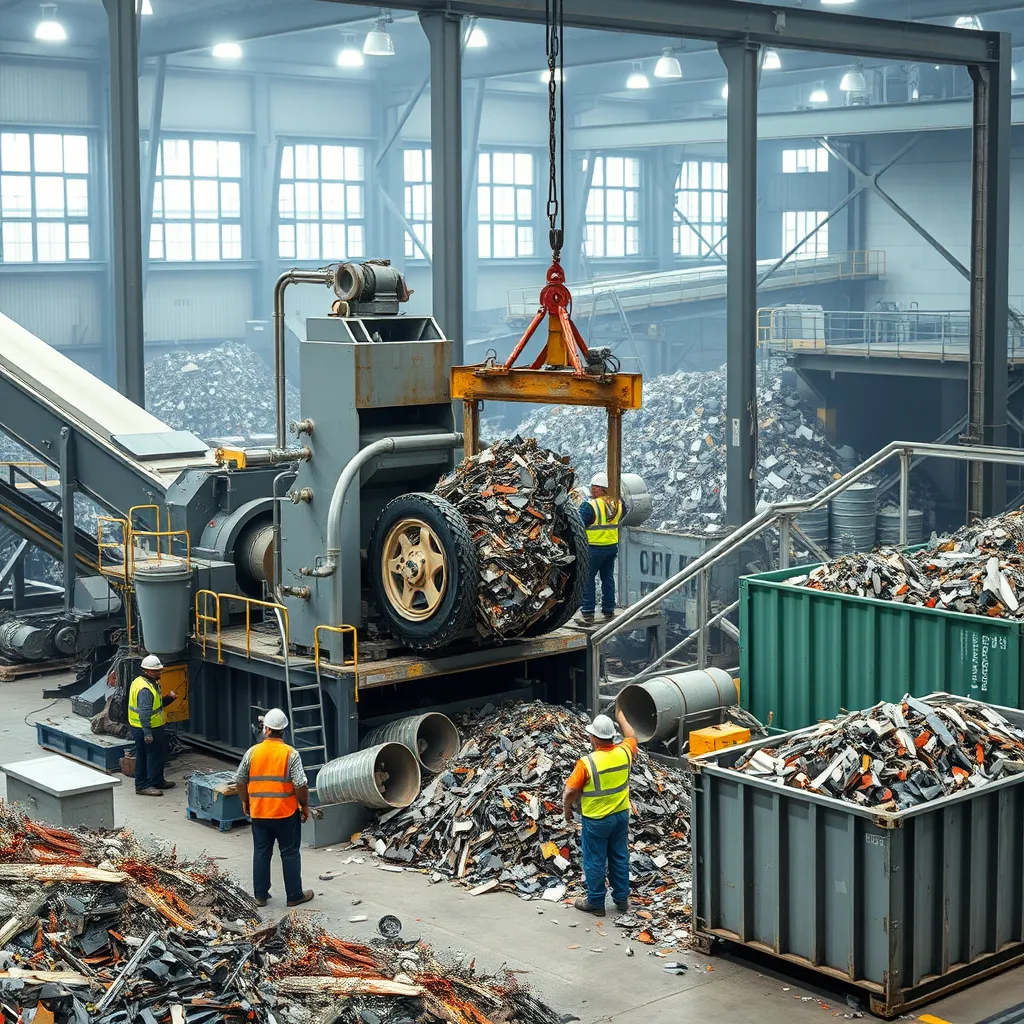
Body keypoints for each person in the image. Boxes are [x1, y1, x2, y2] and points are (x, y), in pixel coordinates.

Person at [235, 708, 314, 909]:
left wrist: (246, 801)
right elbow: (300, 784)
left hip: (260, 812)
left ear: (266, 729)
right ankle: (294, 895)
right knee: (289, 853)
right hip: (285, 813)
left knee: (261, 851)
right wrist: (305, 806)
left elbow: (240, 780)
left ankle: (260, 896)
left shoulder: (252, 752)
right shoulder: (291, 754)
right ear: (284, 731)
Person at [562, 708, 637, 915]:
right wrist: (621, 714)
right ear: (612, 736)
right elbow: (632, 736)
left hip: (596, 820)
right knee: (619, 856)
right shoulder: (625, 752)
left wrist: (567, 809)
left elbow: (570, 791)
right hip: (621, 816)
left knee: (594, 860)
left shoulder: (587, 762)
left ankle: (596, 902)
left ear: (594, 738)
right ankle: (621, 899)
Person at [577, 472, 625, 624]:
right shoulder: (617, 503)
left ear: (600, 488)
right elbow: (624, 513)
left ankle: (588, 611)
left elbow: (579, 524)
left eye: (594, 487)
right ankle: (608, 609)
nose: (591, 490)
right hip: (611, 547)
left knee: (588, 579)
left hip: (594, 548)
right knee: (608, 578)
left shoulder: (590, 505)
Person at [128, 654, 178, 797]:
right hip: (146, 728)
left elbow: (155, 706)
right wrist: (147, 733)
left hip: (151, 726)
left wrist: (169, 699)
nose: (159, 673)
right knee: (145, 756)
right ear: (147, 670)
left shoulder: (144, 682)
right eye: (156, 671)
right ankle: (142, 786)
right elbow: (144, 713)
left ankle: (156, 781)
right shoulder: (145, 689)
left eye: (159, 670)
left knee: (156, 755)